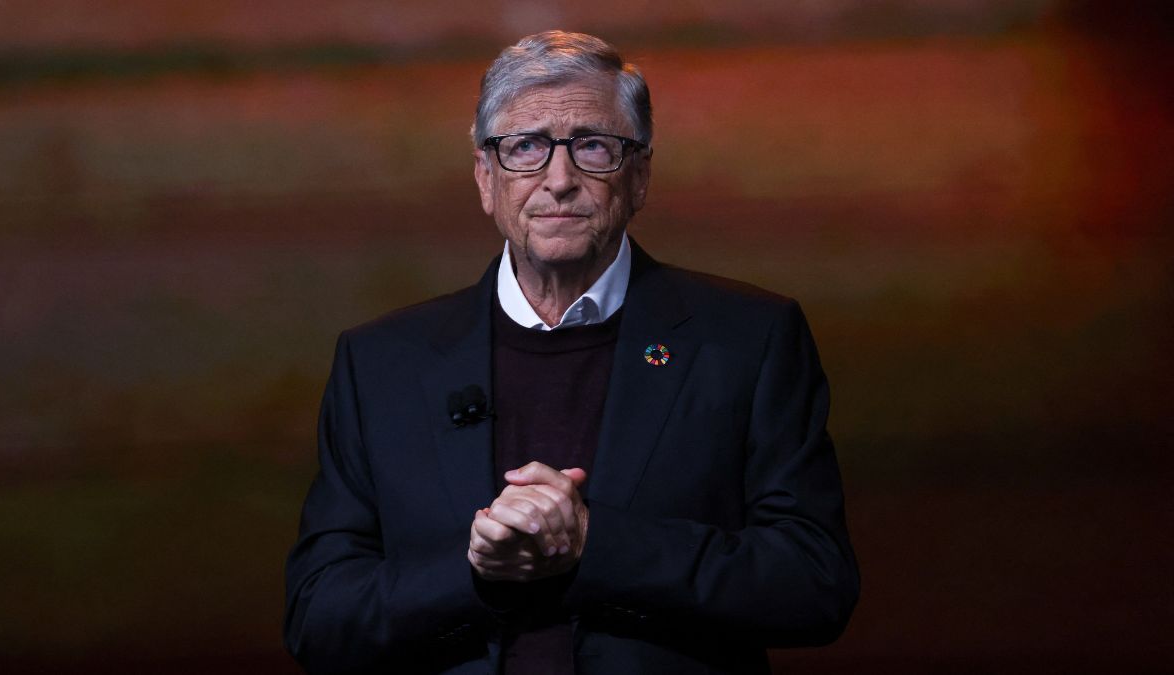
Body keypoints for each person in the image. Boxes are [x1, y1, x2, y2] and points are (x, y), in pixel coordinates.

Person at [284, 30, 859, 675]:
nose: (559, 180)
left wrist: (596, 542)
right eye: (525, 147)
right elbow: (319, 617)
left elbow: (814, 586)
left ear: (639, 175)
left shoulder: (748, 340)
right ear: (485, 176)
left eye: (592, 146)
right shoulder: (381, 363)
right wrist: (477, 569)